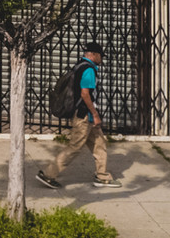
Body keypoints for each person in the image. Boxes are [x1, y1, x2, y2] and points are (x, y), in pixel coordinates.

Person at [38, 42, 115, 188]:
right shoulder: (89, 70)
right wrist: (95, 114)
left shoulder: (79, 65)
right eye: (100, 56)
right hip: (84, 116)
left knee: (99, 144)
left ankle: (102, 175)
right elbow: (85, 94)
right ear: (93, 54)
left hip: (86, 116)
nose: (101, 59)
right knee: (74, 147)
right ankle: (48, 174)